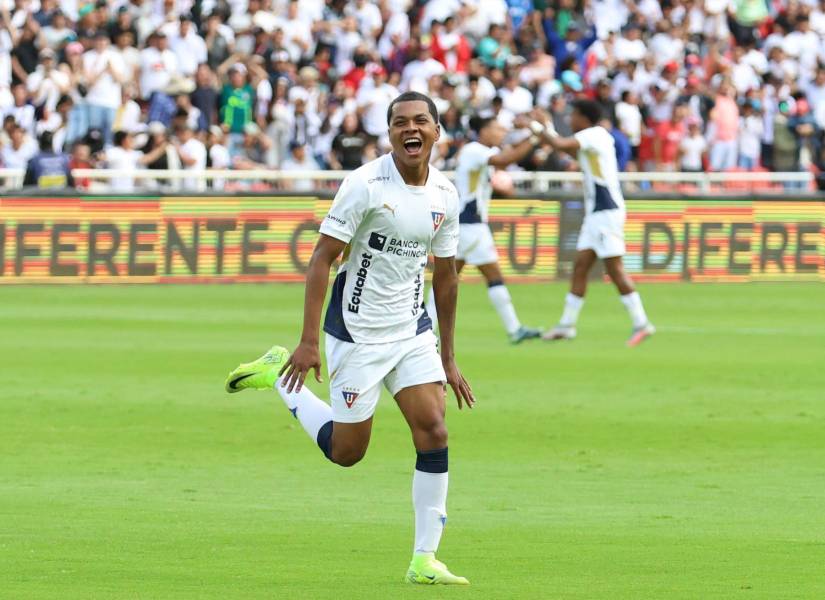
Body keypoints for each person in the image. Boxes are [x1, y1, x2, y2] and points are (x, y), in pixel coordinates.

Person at [223, 91, 473, 586]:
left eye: (421, 120)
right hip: (357, 331)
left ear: (437, 132)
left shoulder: (445, 195)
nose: (411, 129)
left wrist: (448, 356)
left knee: (435, 431)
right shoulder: (363, 185)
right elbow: (322, 259)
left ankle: (424, 559)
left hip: (410, 327)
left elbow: (445, 276)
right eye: (400, 122)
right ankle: (281, 378)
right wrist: (307, 342)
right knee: (347, 452)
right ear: (389, 133)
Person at [541, 99, 655, 346]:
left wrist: (541, 127)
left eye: (573, 115)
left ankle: (641, 322)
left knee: (614, 268)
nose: (570, 120)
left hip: (606, 212)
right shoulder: (593, 138)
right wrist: (544, 128)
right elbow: (564, 148)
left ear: (584, 117)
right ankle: (567, 325)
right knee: (581, 266)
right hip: (596, 214)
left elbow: (559, 143)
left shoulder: (594, 134)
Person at [425, 114, 543, 344]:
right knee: (455, 277)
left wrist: (529, 134)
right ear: (485, 131)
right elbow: (504, 160)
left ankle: (513, 329)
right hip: (470, 226)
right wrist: (537, 136)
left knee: (452, 277)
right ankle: (513, 329)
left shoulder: (477, 151)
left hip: (469, 224)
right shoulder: (475, 150)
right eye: (496, 129)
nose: (501, 133)